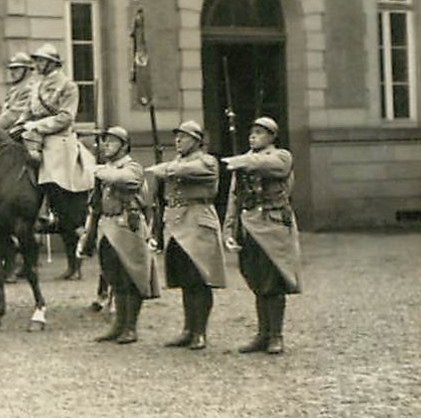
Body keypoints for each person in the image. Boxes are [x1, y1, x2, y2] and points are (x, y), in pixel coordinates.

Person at [144, 120, 228, 350]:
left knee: (200, 279)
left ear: (197, 141)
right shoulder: (176, 161)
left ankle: (200, 331)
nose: (178, 141)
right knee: (185, 280)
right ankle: (188, 329)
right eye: (177, 136)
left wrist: (165, 169)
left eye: (184, 137)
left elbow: (196, 171)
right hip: (176, 224)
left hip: (198, 221)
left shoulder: (206, 161)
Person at [222, 117, 302, 355]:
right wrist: (229, 229)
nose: (253, 136)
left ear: (271, 137)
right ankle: (262, 333)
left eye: (259, 132)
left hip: (273, 225)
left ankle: (276, 335)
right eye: (252, 132)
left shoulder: (280, 156)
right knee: (257, 281)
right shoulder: (244, 162)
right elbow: (234, 198)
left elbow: (273, 166)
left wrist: (241, 160)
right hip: (249, 225)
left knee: (273, 281)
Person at [19, 42, 94, 278]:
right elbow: (27, 112)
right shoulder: (36, 85)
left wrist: (37, 126)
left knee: (51, 175)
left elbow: (65, 118)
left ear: (52, 63)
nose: (38, 64)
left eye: (41, 60)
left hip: (57, 140)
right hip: (33, 136)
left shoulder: (68, 86)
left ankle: (51, 212)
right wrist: (20, 124)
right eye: (37, 60)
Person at [78, 126, 157, 344]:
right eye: (105, 141)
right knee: (115, 278)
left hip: (127, 227)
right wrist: (89, 233)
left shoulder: (132, 166)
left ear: (124, 146)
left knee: (132, 278)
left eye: (112, 141)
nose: (106, 145)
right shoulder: (105, 169)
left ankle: (131, 327)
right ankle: (118, 325)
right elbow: (95, 204)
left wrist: (97, 170)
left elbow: (126, 180)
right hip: (108, 226)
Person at [0, 51, 36, 131]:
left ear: (27, 70)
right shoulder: (15, 88)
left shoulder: (30, 88)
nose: (12, 72)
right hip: (12, 131)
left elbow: (14, 115)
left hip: (27, 132)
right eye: (11, 69)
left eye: (16, 69)